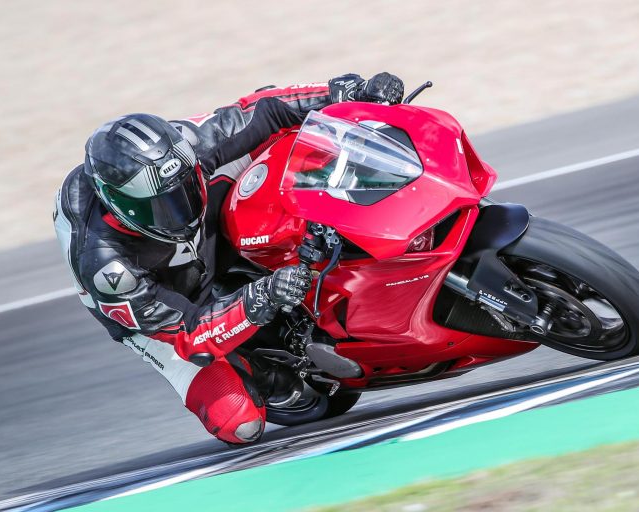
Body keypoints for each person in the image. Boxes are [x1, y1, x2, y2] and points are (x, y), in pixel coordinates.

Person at [53, 73, 404, 445]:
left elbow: (264, 109)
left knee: (288, 138)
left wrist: (347, 93)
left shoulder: (184, 148)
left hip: (203, 239)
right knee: (239, 424)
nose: (180, 211)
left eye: (184, 190)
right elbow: (189, 333)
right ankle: (261, 371)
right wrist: (258, 299)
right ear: (119, 205)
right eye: (160, 207)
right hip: (165, 314)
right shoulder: (104, 264)